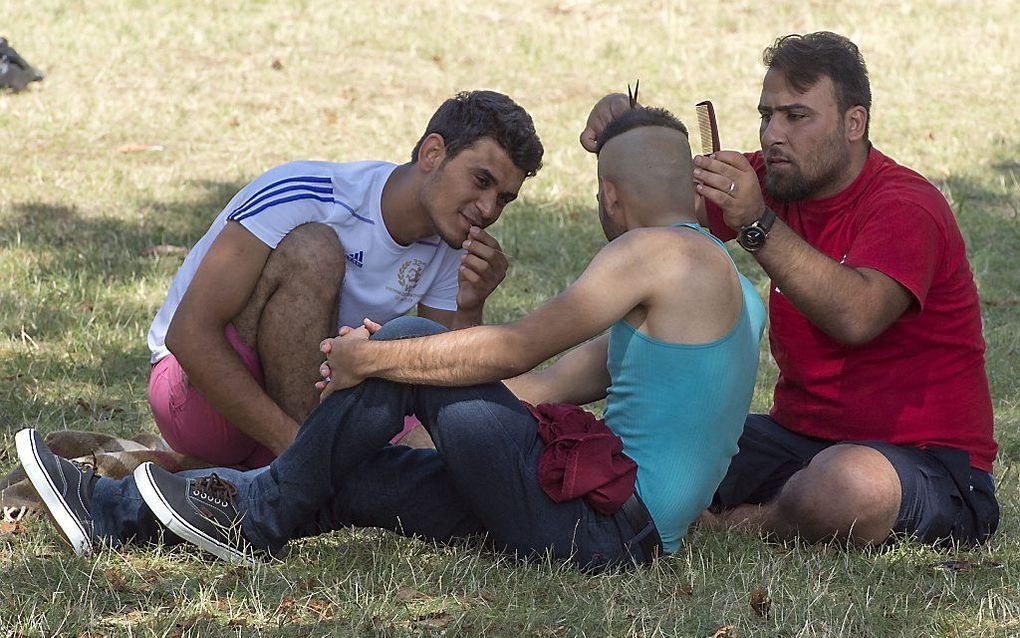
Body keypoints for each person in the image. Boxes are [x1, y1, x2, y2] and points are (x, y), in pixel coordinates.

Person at [17, 106, 765, 569]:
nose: (489, 210)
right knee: (347, 483)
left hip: (595, 531)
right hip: (595, 528)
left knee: (407, 336)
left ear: (610, 198)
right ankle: (110, 515)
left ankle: (262, 508)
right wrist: (367, 423)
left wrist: (374, 358)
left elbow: (513, 353)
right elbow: (537, 388)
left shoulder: (657, 253)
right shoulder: (721, 285)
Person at [582, 31, 998, 546]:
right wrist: (626, 138)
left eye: (796, 116)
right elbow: (647, 224)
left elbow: (857, 317)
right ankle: (776, 504)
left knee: (846, 488)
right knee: (646, 451)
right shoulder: (775, 179)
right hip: (795, 436)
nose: (772, 134)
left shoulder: (906, 205)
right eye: (766, 115)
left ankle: (751, 522)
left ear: (854, 122)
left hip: (926, 458)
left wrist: (757, 223)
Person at [148, 90, 543, 469]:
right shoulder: (308, 193)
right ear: (432, 153)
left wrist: (470, 305)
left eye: (504, 198)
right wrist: (299, 452)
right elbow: (187, 336)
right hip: (198, 400)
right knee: (314, 248)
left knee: (443, 439)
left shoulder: (451, 242)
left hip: (313, 406)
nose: (489, 208)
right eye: (481, 181)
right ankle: (300, 463)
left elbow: (435, 376)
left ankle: (293, 462)